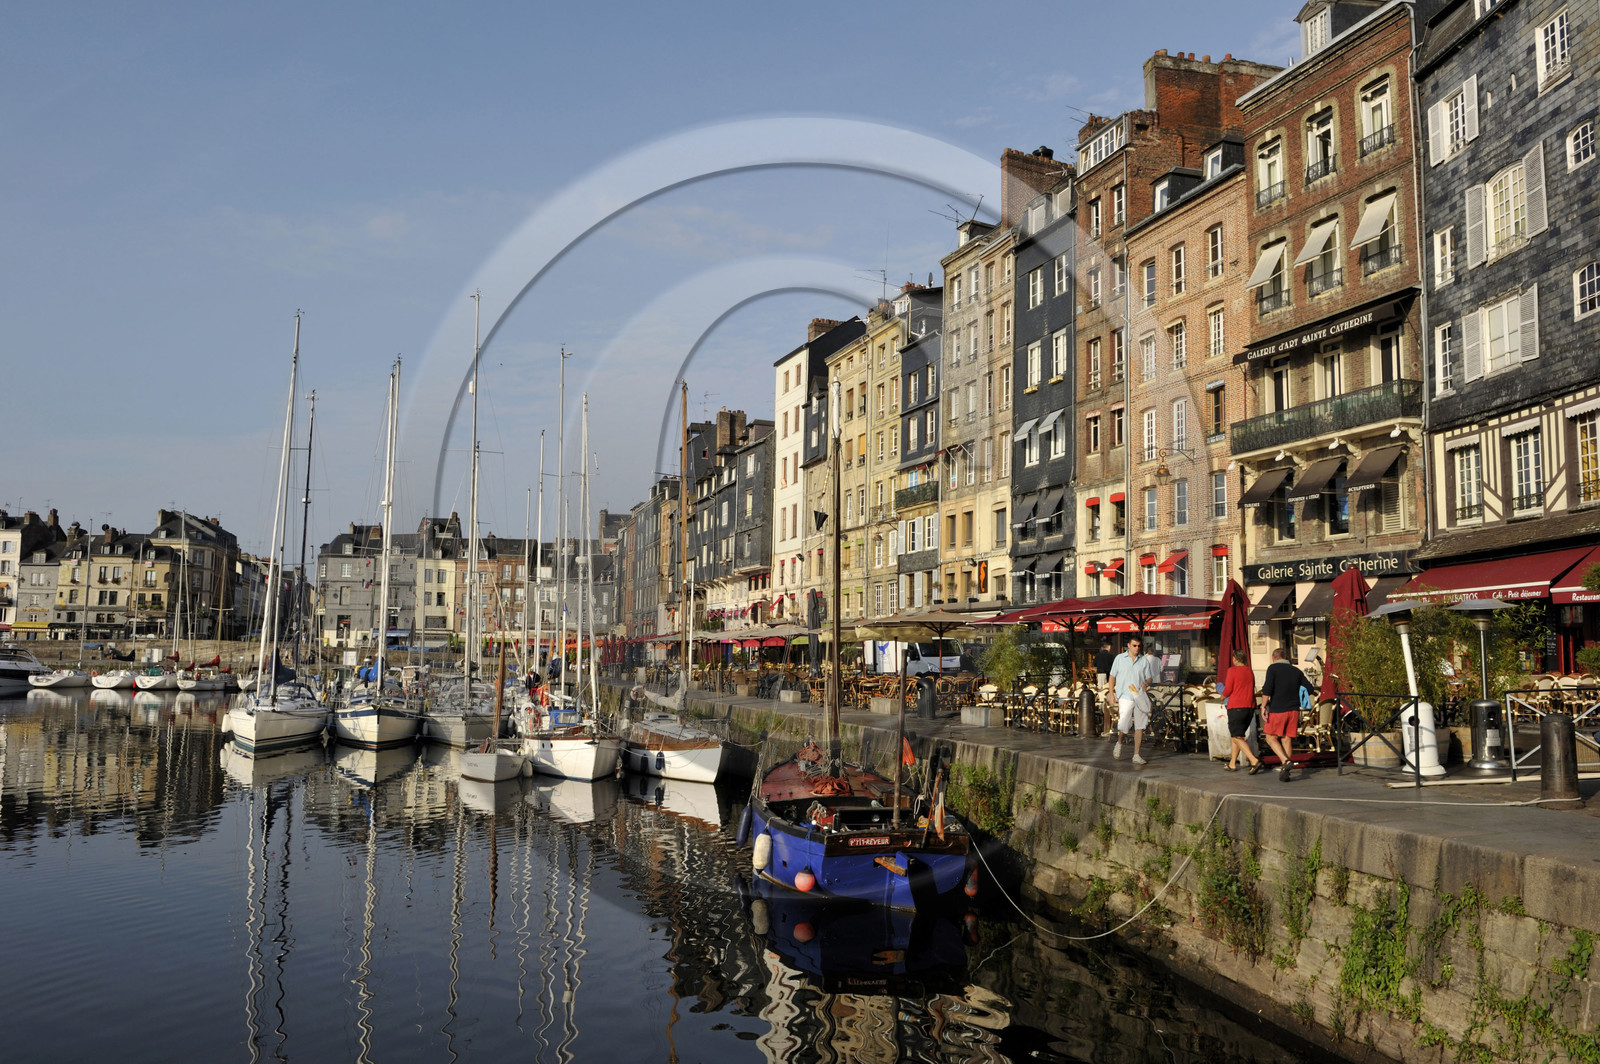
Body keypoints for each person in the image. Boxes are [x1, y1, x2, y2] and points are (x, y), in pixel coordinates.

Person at [1259, 647, 1315, 781]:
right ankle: (1286, 772)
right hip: (1294, 710)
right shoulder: (1296, 671)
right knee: (1286, 738)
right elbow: (1310, 688)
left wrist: (1263, 706)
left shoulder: (1272, 669)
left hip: (1278, 709)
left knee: (1270, 738)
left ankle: (1286, 761)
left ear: (1274, 658)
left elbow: (1267, 689)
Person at [1105, 635, 1159, 765]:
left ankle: (1136, 754)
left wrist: (1146, 684)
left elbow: (1149, 678)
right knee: (1124, 724)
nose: (1137, 648)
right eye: (1134, 645)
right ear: (1128, 645)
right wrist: (1111, 694)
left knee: (1140, 725)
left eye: (1139, 646)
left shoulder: (1144, 660)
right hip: (1125, 696)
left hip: (1139, 696)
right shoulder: (1119, 658)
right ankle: (1119, 743)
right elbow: (1112, 677)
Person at [1222, 649, 1263, 773]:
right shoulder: (1249, 671)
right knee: (1236, 735)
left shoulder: (1232, 670)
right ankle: (1232, 763)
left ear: (1235, 658)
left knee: (1237, 736)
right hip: (1249, 706)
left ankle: (1253, 760)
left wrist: (1222, 696)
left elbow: (1228, 688)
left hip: (1236, 706)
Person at [1092, 639, 1116, 736]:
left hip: (1101, 673)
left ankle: (1102, 703)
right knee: (1108, 689)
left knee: (1101, 689)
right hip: (1109, 674)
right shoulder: (1111, 656)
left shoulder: (1098, 655)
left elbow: (1094, 664)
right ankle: (1107, 705)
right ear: (1108, 647)